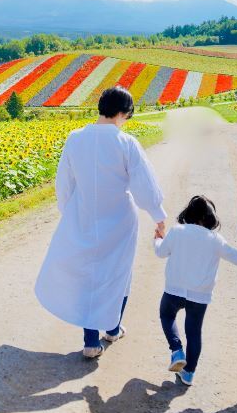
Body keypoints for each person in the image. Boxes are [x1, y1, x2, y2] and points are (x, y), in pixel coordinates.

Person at [35, 86, 166, 358]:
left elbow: (64, 183)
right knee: (118, 274)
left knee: (88, 277)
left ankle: (90, 341)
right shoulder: (126, 142)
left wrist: (71, 213)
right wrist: (158, 216)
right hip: (120, 220)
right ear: (123, 113)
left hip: (84, 215)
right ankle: (113, 328)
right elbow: (144, 186)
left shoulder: (75, 138)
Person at [152, 195, 237, 385]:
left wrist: (158, 239)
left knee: (166, 316)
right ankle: (188, 373)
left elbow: (160, 252)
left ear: (188, 213)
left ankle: (176, 351)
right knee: (194, 332)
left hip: (174, 289)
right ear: (210, 218)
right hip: (199, 295)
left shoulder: (177, 231)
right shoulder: (215, 239)